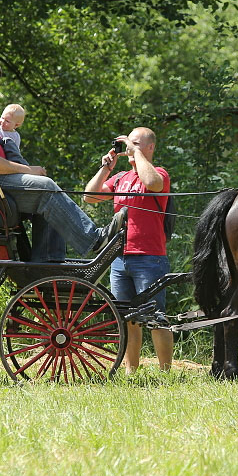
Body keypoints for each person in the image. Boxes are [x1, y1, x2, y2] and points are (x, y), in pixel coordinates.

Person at [0, 59, 124, 256]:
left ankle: (47, 265)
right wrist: (28, 170)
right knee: (46, 187)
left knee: (47, 192)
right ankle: (94, 240)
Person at [85, 127, 172, 373]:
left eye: (136, 143)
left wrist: (137, 154)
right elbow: (90, 197)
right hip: (119, 259)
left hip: (150, 258)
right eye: (128, 144)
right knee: (128, 321)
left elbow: (152, 183)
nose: (129, 149)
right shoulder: (120, 178)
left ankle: (165, 373)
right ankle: (131, 371)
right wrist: (105, 168)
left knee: (156, 317)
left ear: (151, 147)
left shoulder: (160, 174)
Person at [0, 103, 65, 262]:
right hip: (3, 175)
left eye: (7, 121)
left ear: (17, 125)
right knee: (47, 189)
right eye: (2, 118)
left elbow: (14, 156)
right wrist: (28, 170)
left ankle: (50, 257)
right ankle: (45, 259)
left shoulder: (15, 136)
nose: (2, 122)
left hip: (11, 171)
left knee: (51, 201)